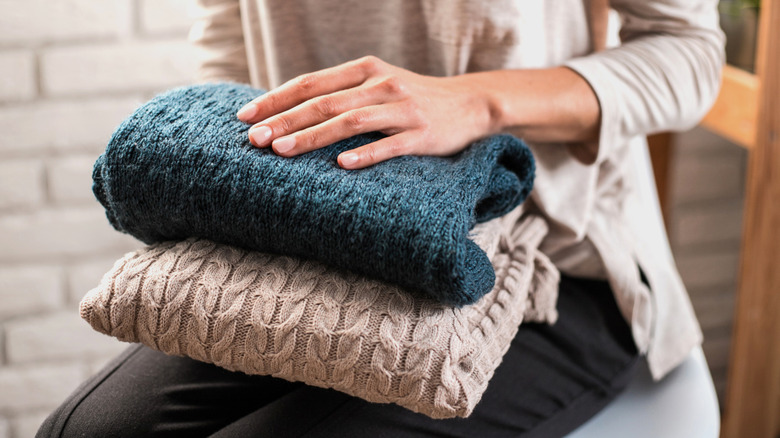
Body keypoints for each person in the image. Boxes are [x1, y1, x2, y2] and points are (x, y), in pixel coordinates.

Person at [38, 1, 724, 437]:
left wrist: (476, 103)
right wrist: (249, 175)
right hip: (314, 242)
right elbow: (229, 26)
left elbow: (688, 51)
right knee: (84, 432)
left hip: (552, 260)